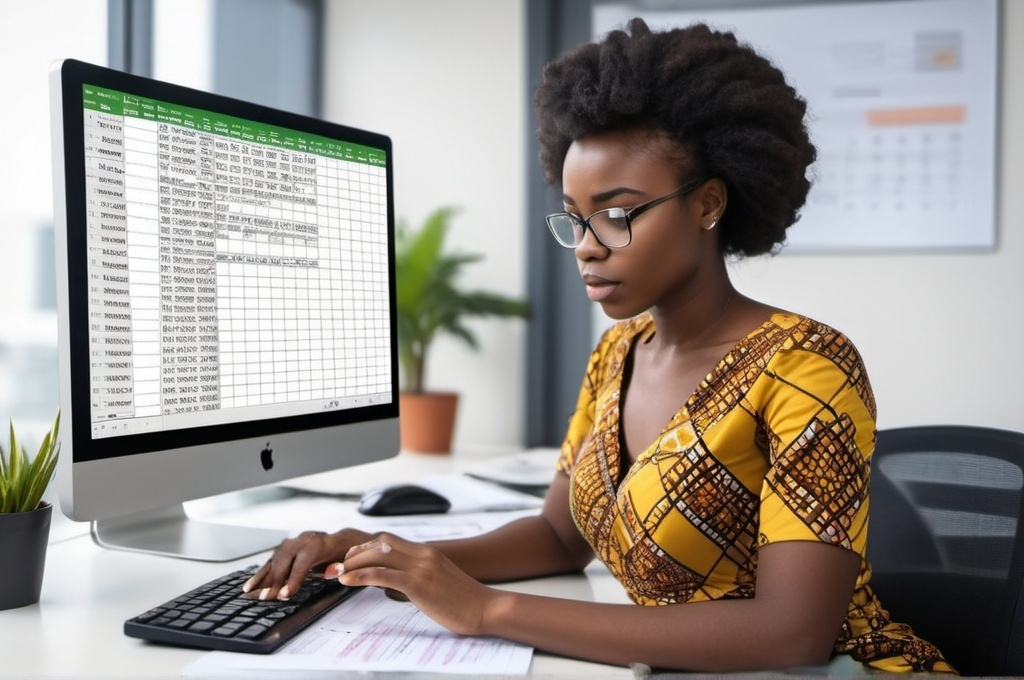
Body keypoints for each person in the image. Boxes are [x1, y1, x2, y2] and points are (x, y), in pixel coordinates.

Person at [243, 19, 954, 674]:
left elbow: (790, 632)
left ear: (708, 204)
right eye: (575, 218)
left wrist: (488, 611)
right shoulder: (618, 355)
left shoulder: (806, 368)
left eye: (616, 215)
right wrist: (389, 561)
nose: (586, 248)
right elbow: (558, 538)